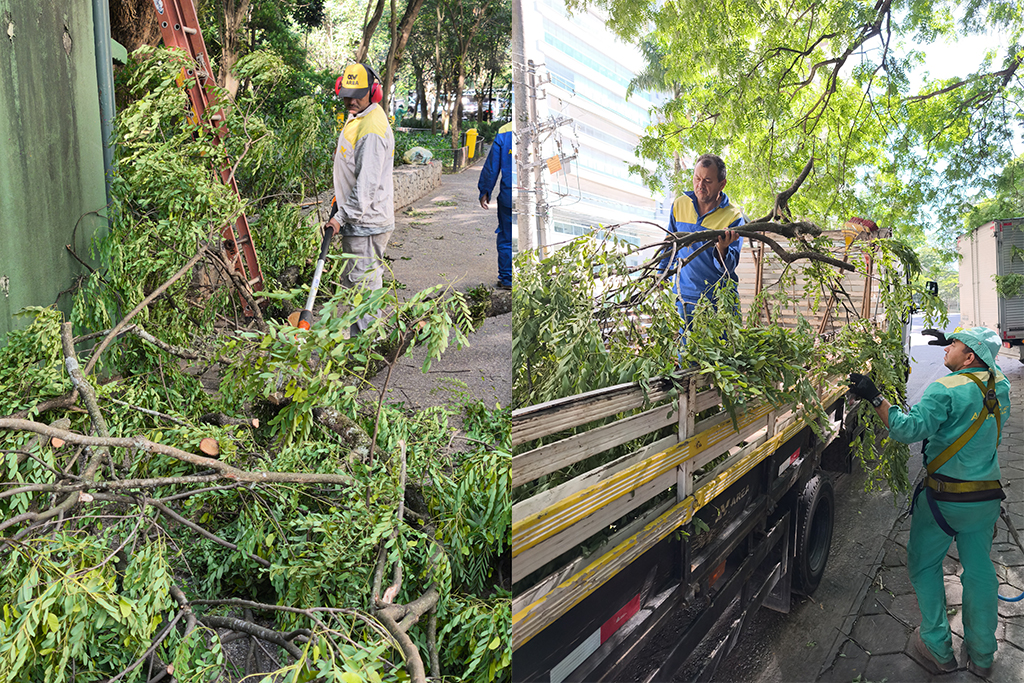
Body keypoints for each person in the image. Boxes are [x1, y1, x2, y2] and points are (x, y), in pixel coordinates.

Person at [847, 327, 1011, 677]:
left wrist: (874, 396)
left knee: (924, 566)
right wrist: (961, 345)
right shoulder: (1001, 386)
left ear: (969, 357)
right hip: (985, 501)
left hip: (943, 501)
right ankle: (983, 654)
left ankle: (937, 647)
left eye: (954, 345)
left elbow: (907, 429)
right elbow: (988, 365)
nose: (946, 347)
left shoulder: (944, 389)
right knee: (980, 572)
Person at [323, 62, 394, 337]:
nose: (351, 101)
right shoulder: (361, 116)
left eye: (358, 95)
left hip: (365, 222)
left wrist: (341, 216)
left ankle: (366, 349)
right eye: (347, 95)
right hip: (360, 218)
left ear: (373, 92)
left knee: (363, 290)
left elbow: (365, 187)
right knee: (358, 287)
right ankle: (361, 346)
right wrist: (339, 199)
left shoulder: (372, 129)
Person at [658, 154, 746, 330]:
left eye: (707, 181)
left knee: (725, 347)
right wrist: (661, 274)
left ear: (722, 184)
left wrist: (722, 249)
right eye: (697, 178)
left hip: (719, 301)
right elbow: (670, 245)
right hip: (685, 299)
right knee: (687, 346)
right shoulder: (679, 205)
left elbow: (729, 266)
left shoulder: (733, 217)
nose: (700, 185)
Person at [477, 121, 513, 290]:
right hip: (536, 196)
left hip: (510, 196)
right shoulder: (544, 128)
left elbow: (492, 167)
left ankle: (508, 279)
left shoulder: (505, 131)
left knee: (507, 237)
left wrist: (485, 190)